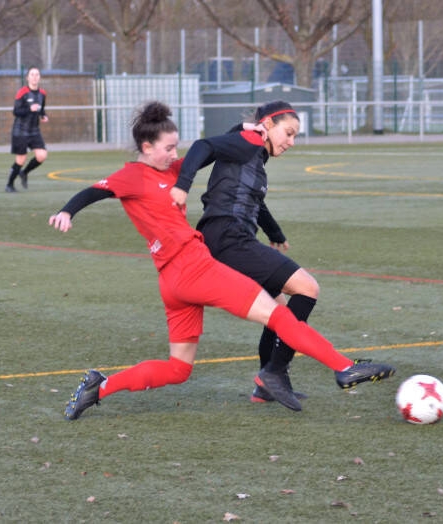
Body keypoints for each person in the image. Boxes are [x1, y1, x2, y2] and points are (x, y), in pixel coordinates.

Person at [49, 101, 395, 421]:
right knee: (278, 315)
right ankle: (344, 367)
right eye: (169, 148)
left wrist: (249, 128)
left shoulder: (169, 172)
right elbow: (95, 191)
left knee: (178, 369)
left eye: (176, 147)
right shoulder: (132, 176)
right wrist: (67, 211)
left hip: (172, 281)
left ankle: (100, 386)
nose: (175, 154)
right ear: (146, 148)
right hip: (194, 268)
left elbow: (214, 149)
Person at [172, 100, 372, 411]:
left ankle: (266, 385)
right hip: (228, 237)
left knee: (278, 311)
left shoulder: (251, 151)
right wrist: (182, 185)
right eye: (288, 133)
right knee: (307, 288)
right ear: (267, 124)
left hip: (227, 237)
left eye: (295, 137)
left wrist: (275, 233)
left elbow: (252, 199)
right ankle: (274, 372)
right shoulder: (249, 140)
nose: (291, 142)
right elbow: (202, 145)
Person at [5, 67, 48, 193]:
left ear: (39, 77)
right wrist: (30, 109)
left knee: (42, 156)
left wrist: (43, 115)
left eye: (37, 74)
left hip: (34, 130)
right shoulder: (22, 92)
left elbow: (41, 108)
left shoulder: (42, 93)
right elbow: (16, 111)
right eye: (32, 74)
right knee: (21, 159)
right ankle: (9, 185)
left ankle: (24, 173)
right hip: (20, 131)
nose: (35, 77)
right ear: (27, 77)